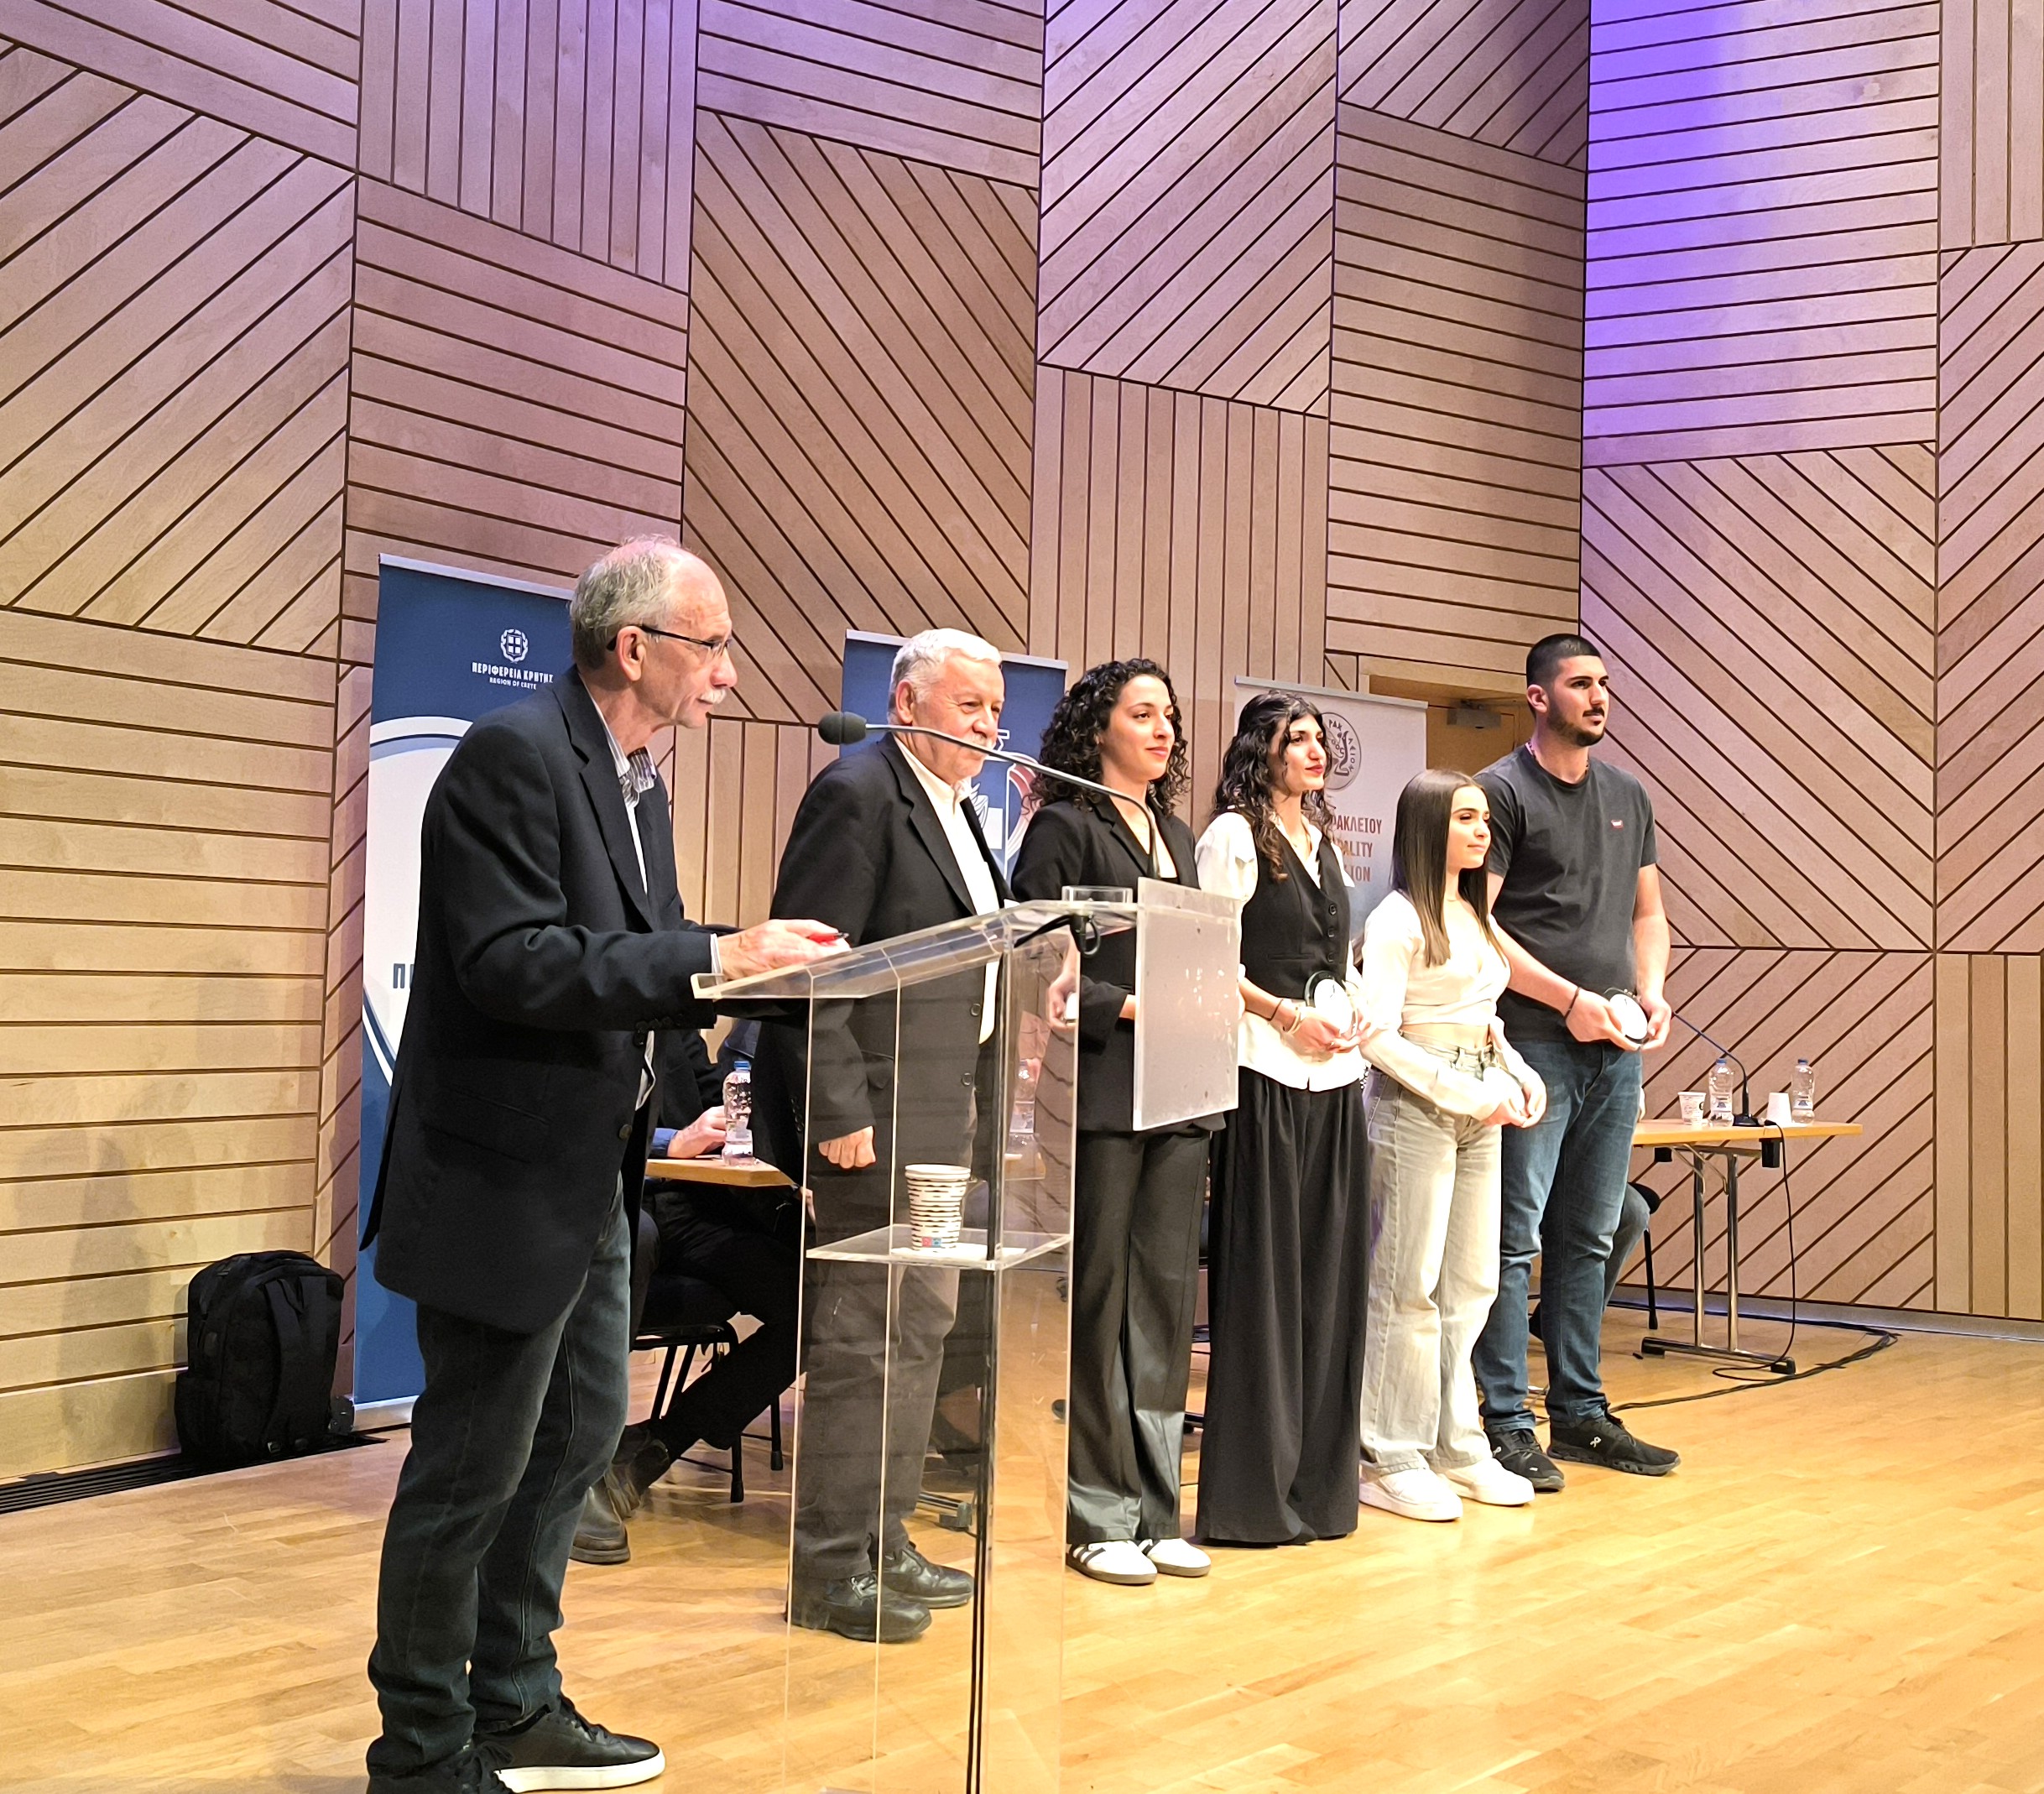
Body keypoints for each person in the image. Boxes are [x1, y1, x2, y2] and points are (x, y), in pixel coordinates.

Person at [360, 539, 836, 1794]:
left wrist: (732, 1025)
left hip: (597, 1182)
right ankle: (420, 1747)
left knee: (571, 1453)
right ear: (635, 647)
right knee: (469, 1472)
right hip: (500, 1185)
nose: (727, 674)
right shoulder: (513, 755)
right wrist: (720, 954)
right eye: (712, 646)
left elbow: (643, 959)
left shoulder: (639, 782)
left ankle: (515, 1702)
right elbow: (512, 960)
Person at [753, 628, 1012, 1644]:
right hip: (878, 1121)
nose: (989, 727)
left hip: (944, 1118)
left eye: (996, 711)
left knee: (920, 1331)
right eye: (969, 706)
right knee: (865, 1339)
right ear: (906, 702)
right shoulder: (860, 792)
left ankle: (883, 1534)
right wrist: (838, 1113)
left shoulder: (959, 807)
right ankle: (827, 1567)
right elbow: (810, 964)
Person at [1009, 658, 1215, 1587]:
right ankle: (1097, 1512)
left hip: (1181, 1090)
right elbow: (1030, 956)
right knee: (1097, 1302)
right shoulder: (1063, 827)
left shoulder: (1179, 834)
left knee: (1163, 1305)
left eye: (1168, 715)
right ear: (1098, 729)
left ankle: (1156, 1510)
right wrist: (1129, 1007)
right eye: (1142, 714)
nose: (1163, 729)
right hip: (1097, 1091)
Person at [1472, 632, 1682, 1490]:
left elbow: (1648, 913)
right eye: (1581, 683)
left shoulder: (1628, 793)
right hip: (1534, 1042)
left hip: (1614, 1050)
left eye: (1605, 683)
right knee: (1513, 1238)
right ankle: (1503, 1420)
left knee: (1590, 1234)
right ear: (1538, 696)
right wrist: (1567, 1000)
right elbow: (1477, 926)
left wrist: (1650, 990)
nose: (1599, 696)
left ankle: (1582, 1413)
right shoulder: (1498, 792)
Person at [1193, 692, 1374, 1547]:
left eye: (1317, 739)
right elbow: (1209, 958)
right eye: (1294, 738)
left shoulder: (1325, 842)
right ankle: (1253, 1504)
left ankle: (1321, 1492)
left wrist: (1354, 1006)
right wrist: (1281, 1014)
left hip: (1332, 1080)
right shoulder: (1233, 837)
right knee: (1266, 1289)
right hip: (1262, 1073)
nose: (1313, 751)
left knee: (1329, 1285)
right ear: (1258, 751)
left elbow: (1335, 959)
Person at [1355, 771, 1546, 1522]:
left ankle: (1456, 1444)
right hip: (1416, 1106)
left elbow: (1485, 1017)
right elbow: (1376, 1035)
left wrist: (1519, 1072)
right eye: (1466, 818)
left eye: (1484, 818)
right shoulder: (1396, 920)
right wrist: (1465, 1091)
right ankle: (1389, 1454)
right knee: (1407, 1285)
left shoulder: (1472, 914)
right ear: (1430, 825)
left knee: (1471, 1284)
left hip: (1479, 1101)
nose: (1481, 831)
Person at [570, 1027, 800, 1567]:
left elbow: (721, 1097)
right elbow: (572, 1123)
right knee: (635, 1238)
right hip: (611, 1206)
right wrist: (669, 1142)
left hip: (691, 1208)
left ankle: (659, 1443)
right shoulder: (587, 1016)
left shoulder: (673, 1027)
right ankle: (584, 1467)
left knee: (811, 1303)